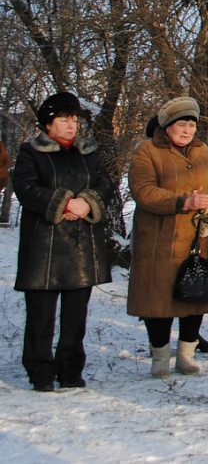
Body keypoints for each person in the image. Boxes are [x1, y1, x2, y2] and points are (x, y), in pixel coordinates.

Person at [12, 92, 114, 391]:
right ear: (48, 123)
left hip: (82, 244)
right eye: (64, 119)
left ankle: (70, 370)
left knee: (75, 318)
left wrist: (88, 202)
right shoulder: (31, 152)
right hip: (44, 246)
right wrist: (65, 204)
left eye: (74, 120)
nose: (71, 125)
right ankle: (40, 370)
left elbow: (105, 182)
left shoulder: (89, 152)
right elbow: (26, 188)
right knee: (40, 317)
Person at [128, 96, 208, 377]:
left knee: (195, 295)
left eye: (191, 125)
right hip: (160, 240)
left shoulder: (202, 151)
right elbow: (144, 192)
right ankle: (160, 356)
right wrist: (184, 202)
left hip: (197, 238)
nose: (187, 131)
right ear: (167, 126)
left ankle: (187, 353)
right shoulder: (147, 152)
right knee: (157, 300)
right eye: (181, 125)